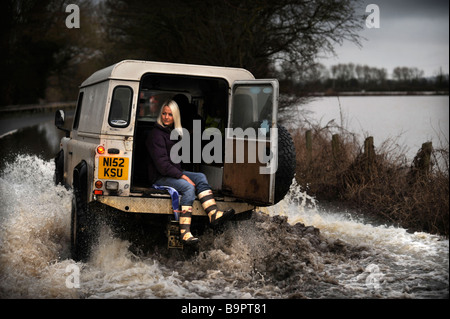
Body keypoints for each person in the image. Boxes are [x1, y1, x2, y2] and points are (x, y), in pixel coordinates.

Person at [146, 99, 235, 245]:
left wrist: (182, 174)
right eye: (164, 114)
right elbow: (162, 166)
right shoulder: (156, 135)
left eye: (170, 114)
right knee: (188, 187)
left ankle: (213, 213)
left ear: (175, 117)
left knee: (200, 177)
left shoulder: (170, 133)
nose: (166, 117)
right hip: (160, 177)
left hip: (171, 173)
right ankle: (185, 233)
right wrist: (182, 176)